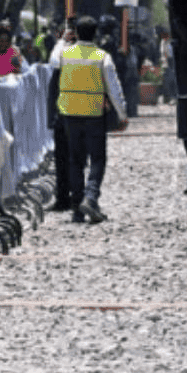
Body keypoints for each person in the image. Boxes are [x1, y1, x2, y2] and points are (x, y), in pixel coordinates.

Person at [56, 14, 127, 223]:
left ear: (75, 33)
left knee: (75, 161)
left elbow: (53, 65)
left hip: (69, 113)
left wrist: (63, 40)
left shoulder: (64, 54)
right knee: (97, 159)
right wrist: (122, 114)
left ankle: (78, 208)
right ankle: (91, 196)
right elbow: (114, 89)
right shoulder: (102, 57)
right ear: (96, 34)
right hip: (94, 114)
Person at [47, 18, 78, 211]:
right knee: (62, 158)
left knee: (75, 158)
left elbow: (56, 61)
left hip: (75, 111)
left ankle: (75, 197)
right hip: (63, 114)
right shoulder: (62, 49)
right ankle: (63, 197)